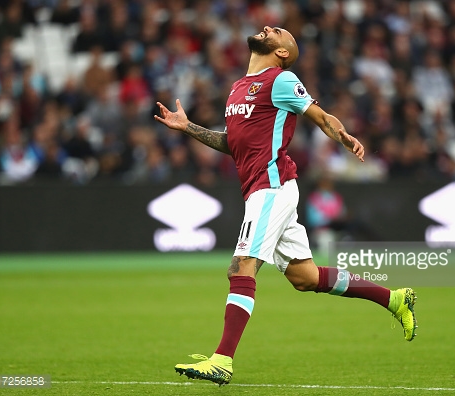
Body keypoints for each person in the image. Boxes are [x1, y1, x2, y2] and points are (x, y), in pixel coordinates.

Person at [154, 26, 418, 386]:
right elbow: (234, 143)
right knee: (304, 278)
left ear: (282, 52)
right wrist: (188, 128)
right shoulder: (236, 88)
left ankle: (222, 360)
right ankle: (394, 299)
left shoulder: (281, 80)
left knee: (241, 266)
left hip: (272, 186)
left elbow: (321, 116)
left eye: (276, 31)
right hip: (262, 188)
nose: (266, 28)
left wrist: (343, 135)